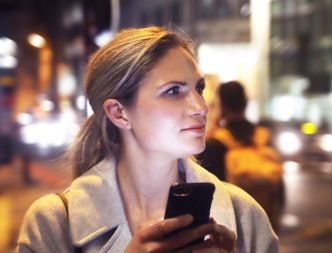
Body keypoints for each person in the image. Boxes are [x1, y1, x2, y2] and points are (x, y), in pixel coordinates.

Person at [17, 27, 278, 253]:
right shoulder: (52, 222)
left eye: (199, 89)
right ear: (119, 113)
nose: (200, 106)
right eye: (173, 91)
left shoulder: (244, 215)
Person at [197, 81, 283, 233]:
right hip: (264, 218)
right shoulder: (263, 137)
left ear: (221, 105)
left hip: (233, 224)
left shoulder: (215, 142)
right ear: (245, 103)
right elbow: (279, 184)